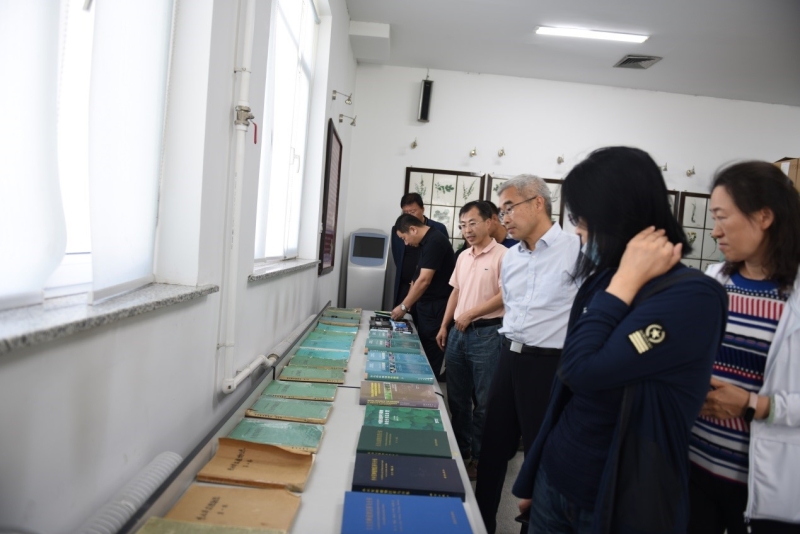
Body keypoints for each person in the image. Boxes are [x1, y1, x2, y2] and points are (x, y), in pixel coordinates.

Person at [512, 146, 728, 534]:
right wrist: (535, 472)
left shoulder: (692, 295)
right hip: (557, 476)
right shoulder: (603, 279)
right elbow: (566, 391)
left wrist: (626, 280)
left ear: (617, 215)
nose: (577, 231)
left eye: (583, 219)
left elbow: (581, 369)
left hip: (619, 496)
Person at [688, 161, 800, 533]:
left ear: (764, 216)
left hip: (763, 484)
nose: (715, 231)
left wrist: (754, 405)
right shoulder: (713, 282)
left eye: (722, 217)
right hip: (693, 467)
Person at [475, 174, 581, 533]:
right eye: (501, 211)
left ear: (538, 203)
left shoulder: (576, 251)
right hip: (509, 357)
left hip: (549, 365)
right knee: (492, 448)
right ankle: (481, 523)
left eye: (509, 208)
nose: (503, 218)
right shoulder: (512, 258)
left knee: (540, 453)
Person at [436, 201, 507, 480]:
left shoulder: (504, 256)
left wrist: (471, 314)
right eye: (463, 225)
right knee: (457, 399)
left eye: (473, 223)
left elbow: (505, 296)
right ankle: (460, 450)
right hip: (458, 333)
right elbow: (455, 292)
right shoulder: (463, 256)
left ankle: (479, 458)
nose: (467, 230)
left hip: (487, 335)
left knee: (485, 402)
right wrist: (445, 325)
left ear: (490, 222)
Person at [391, 213, 455, 381]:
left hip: (436, 307)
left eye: (404, 238)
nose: (405, 243)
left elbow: (424, 281)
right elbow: (417, 277)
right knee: (423, 351)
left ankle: (427, 389)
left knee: (430, 355)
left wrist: (403, 306)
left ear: (413, 229)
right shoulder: (427, 241)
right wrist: (409, 302)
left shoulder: (435, 242)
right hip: (426, 306)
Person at [390, 193, 449, 318]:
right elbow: (397, 258)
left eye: (412, 211)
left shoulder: (435, 236)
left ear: (422, 209)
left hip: (431, 294)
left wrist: (404, 306)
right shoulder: (400, 230)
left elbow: (425, 278)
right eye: (405, 212)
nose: (405, 243)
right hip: (408, 285)